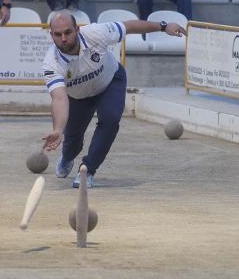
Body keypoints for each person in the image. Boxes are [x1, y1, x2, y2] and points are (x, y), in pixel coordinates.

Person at [42, 11, 186, 188]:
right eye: (58, 34)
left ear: (77, 30)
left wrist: (163, 26)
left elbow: (130, 26)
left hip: (110, 81)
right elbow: (59, 98)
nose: (63, 38)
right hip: (78, 96)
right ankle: (67, 157)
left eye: (68, 32)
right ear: (51, 35)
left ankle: (87, 170)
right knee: (73, 142)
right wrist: (58, 130)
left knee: (110, 120)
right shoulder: (51, 63)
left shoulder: (96, 32)